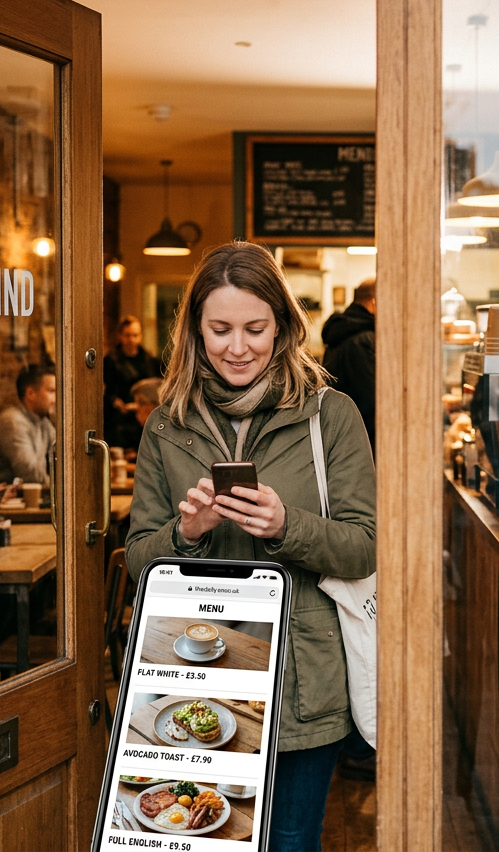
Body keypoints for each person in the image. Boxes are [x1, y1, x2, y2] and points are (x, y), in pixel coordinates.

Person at [125, 241, 375, 852]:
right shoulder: (166, 424)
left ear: (283, 327)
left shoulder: (331, 415)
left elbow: (365, 547)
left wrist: (287, 525)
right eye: (220, 329)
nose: (238, 347)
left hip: (300, 677)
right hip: (194, 674)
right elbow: (136, 559)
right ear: (195, 332)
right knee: (203, 836)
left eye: (255, 328)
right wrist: (187, 533)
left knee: (290, 841)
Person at [0, 364, 56, 487]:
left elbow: (60, 458)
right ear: (31, 393)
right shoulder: (13, 422)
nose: (56, 398)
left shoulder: (43, 421)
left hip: (18, 496)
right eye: (52, 391)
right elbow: (31, 476)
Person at [321, 277, 376, 451]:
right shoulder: (361, 340)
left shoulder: (344, 332)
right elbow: (372, 403)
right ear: (375, 302)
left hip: (342, 438)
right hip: (361, 443)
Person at [104, 315, 162, 449]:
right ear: (120, 336)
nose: (131, 339)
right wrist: (116, 402)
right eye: (128, 335)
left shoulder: (150, 361)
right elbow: (106, 391)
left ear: (140, 336)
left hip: (146, 416)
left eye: (135, 335)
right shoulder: (110, 361)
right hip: (121, 420)